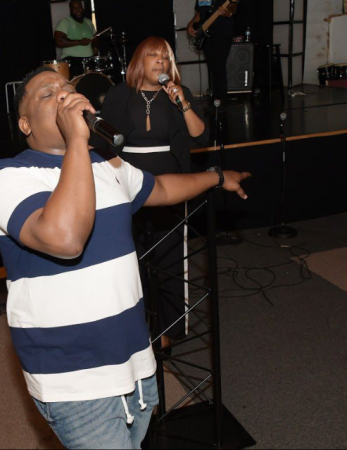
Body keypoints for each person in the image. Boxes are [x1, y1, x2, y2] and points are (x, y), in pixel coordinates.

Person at [0, 66, 250, 449]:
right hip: (73, 378)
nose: (63, 96)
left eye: (67, 89)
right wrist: (77, 141)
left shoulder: (106, 164)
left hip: (134, 362)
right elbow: (65, 239)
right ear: (24, 124)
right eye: (48, 94)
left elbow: (157, 186)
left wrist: (217, 178)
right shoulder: (10, 177)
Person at [94, 36, 209, 350]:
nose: (161, 62)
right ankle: (135, 328)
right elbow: (103, 143)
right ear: (138, 62)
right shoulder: (119, 95)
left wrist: (182, 103)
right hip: (126, 184)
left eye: (165, 58)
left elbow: (200, 138)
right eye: (153, 56)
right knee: (130, 260)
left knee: (169, 257)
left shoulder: (179, 95)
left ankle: (166, 330)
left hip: (170, 184)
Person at [188, 0, 239, 110]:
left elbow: (233, 5)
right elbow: (199, 13)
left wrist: (228, 12)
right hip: (206, 34)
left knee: (218, 65)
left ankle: (220, 100)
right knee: (212, 65)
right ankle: (216, 99)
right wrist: (191, 23)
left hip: (222, 33)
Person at [54, 0, 99, 77]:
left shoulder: (89, 22)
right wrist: (80, 42)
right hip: (73, 61)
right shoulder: (65, 22)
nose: (77, 10)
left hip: (89, 60)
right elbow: (58, 41)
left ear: (83, 8)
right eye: (74, 8)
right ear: (70, 10)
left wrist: (94, 46)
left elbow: (94, 37)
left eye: (79, 7)